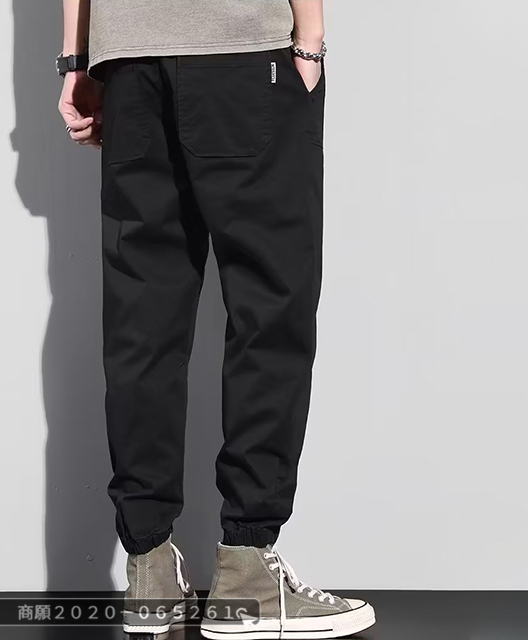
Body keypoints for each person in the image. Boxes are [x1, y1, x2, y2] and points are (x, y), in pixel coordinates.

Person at [58, 1, 376, 638]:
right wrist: (311, 39)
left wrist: (78, 59)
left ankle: (149, 568)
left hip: (129, 63)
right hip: (242, 48)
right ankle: (249, 574)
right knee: (270, 310)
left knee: (142, 323)